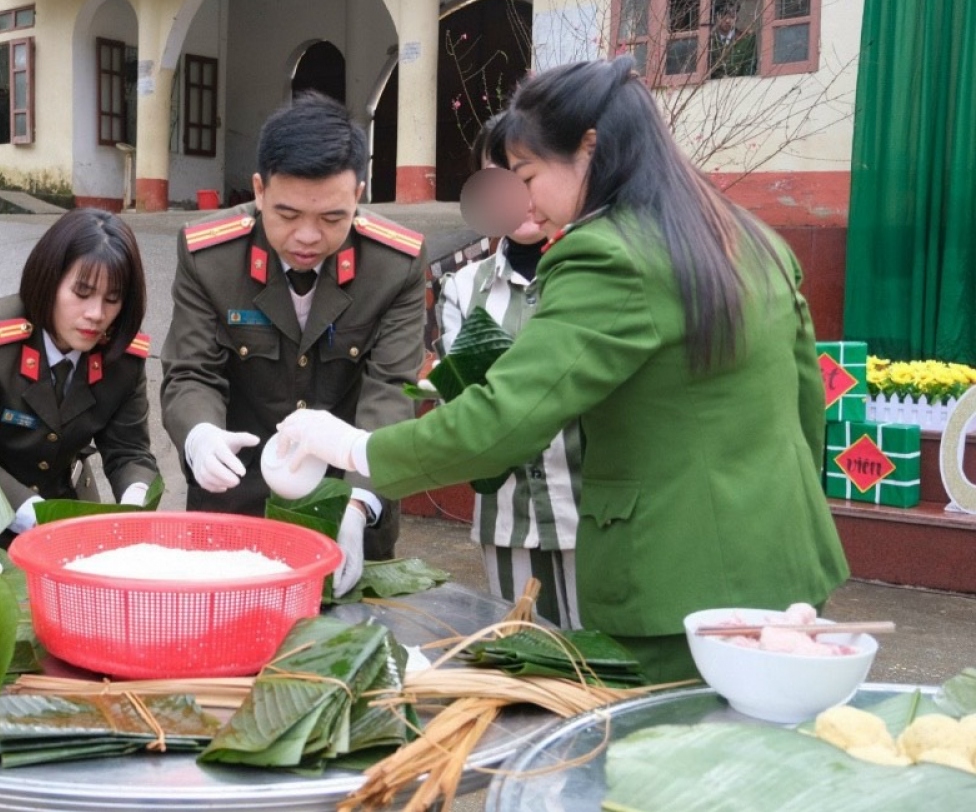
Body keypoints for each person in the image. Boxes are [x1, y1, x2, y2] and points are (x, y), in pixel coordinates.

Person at [277, 58, 848, 680]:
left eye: (526, 174)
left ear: (589, 149)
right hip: (788, 566)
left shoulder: (609, 254)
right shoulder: (746, 235)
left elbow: (503, 422)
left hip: (678, 592)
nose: (521, 201)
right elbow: (804, 400)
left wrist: (358, 448)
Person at [160, 93, 428, 596]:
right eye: (286, 214)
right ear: (259, 190)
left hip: (346, 499)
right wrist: (199, 437)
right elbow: (191, 371)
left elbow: (390, 389)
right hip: (236, 506)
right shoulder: (211, 258)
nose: (307, 237)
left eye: (332, 218)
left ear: (359, 195)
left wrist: (358, 505)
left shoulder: (394, 267)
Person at [438, 113, 583, 628]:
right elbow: (466, 404)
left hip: (597, 518)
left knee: (605, 665)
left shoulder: (597, 275)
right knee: (527, 663)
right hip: (508, 521)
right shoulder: (462, 287)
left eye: (524, 177)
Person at [0, 208, 159, 539]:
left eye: (112, 299)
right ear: (49, 280)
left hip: (66, 510)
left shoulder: (121, 357)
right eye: (81, 293)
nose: (96, 314)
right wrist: (39, 518)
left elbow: (129, 451)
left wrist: (136, 497)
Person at [708, 0, 756, 78]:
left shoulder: (746, 38)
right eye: (723, 16)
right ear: (716, 17)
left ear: (737, 18)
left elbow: (750, 66)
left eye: (732, 16)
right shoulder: (709, 40)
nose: (727, 20)